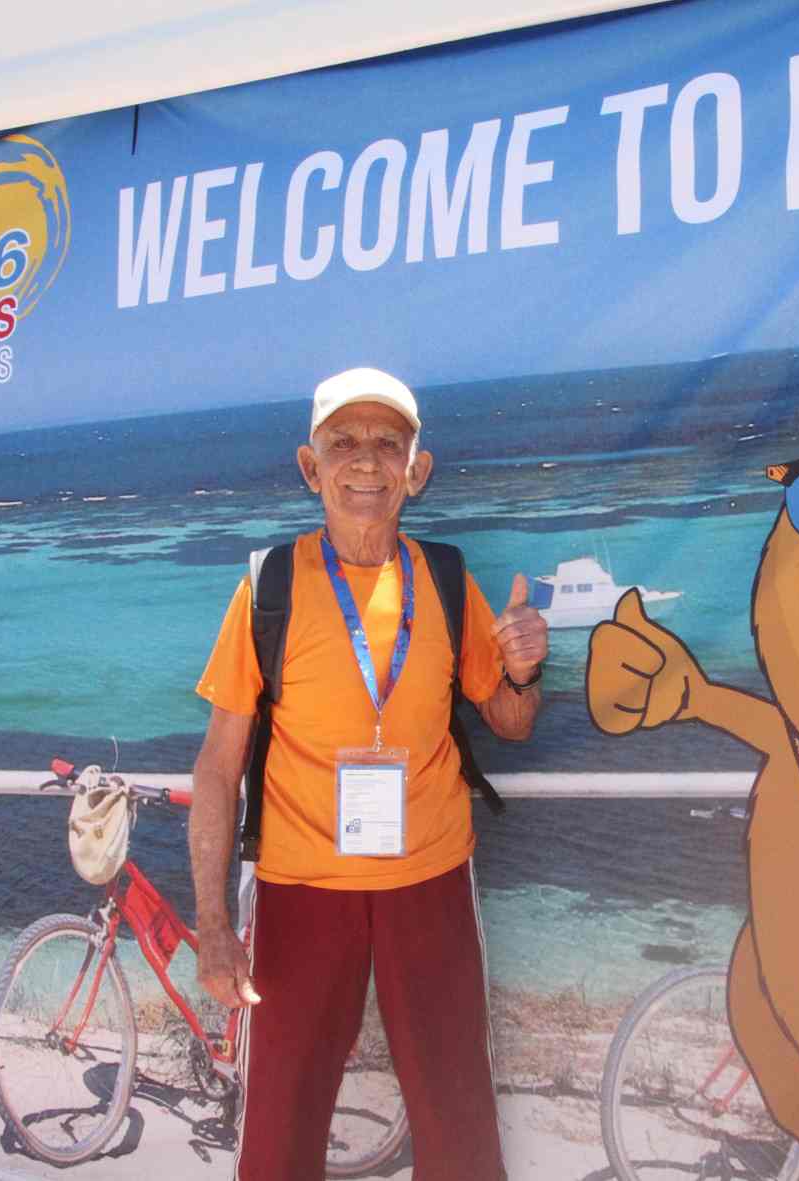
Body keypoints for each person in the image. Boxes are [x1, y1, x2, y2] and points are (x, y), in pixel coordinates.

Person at [188, 366, 547, 1181]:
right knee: (278, 1133)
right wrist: (212, 923)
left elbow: (511, 722)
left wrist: (525, 671)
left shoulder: (447, 581)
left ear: (417, 471)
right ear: (310, 467)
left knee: (459, 1127)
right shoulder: (270, 587)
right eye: (342, 442)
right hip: (300, 889)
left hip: (431, 881)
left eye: (389, 443)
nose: (366, 461)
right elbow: (217, 766)